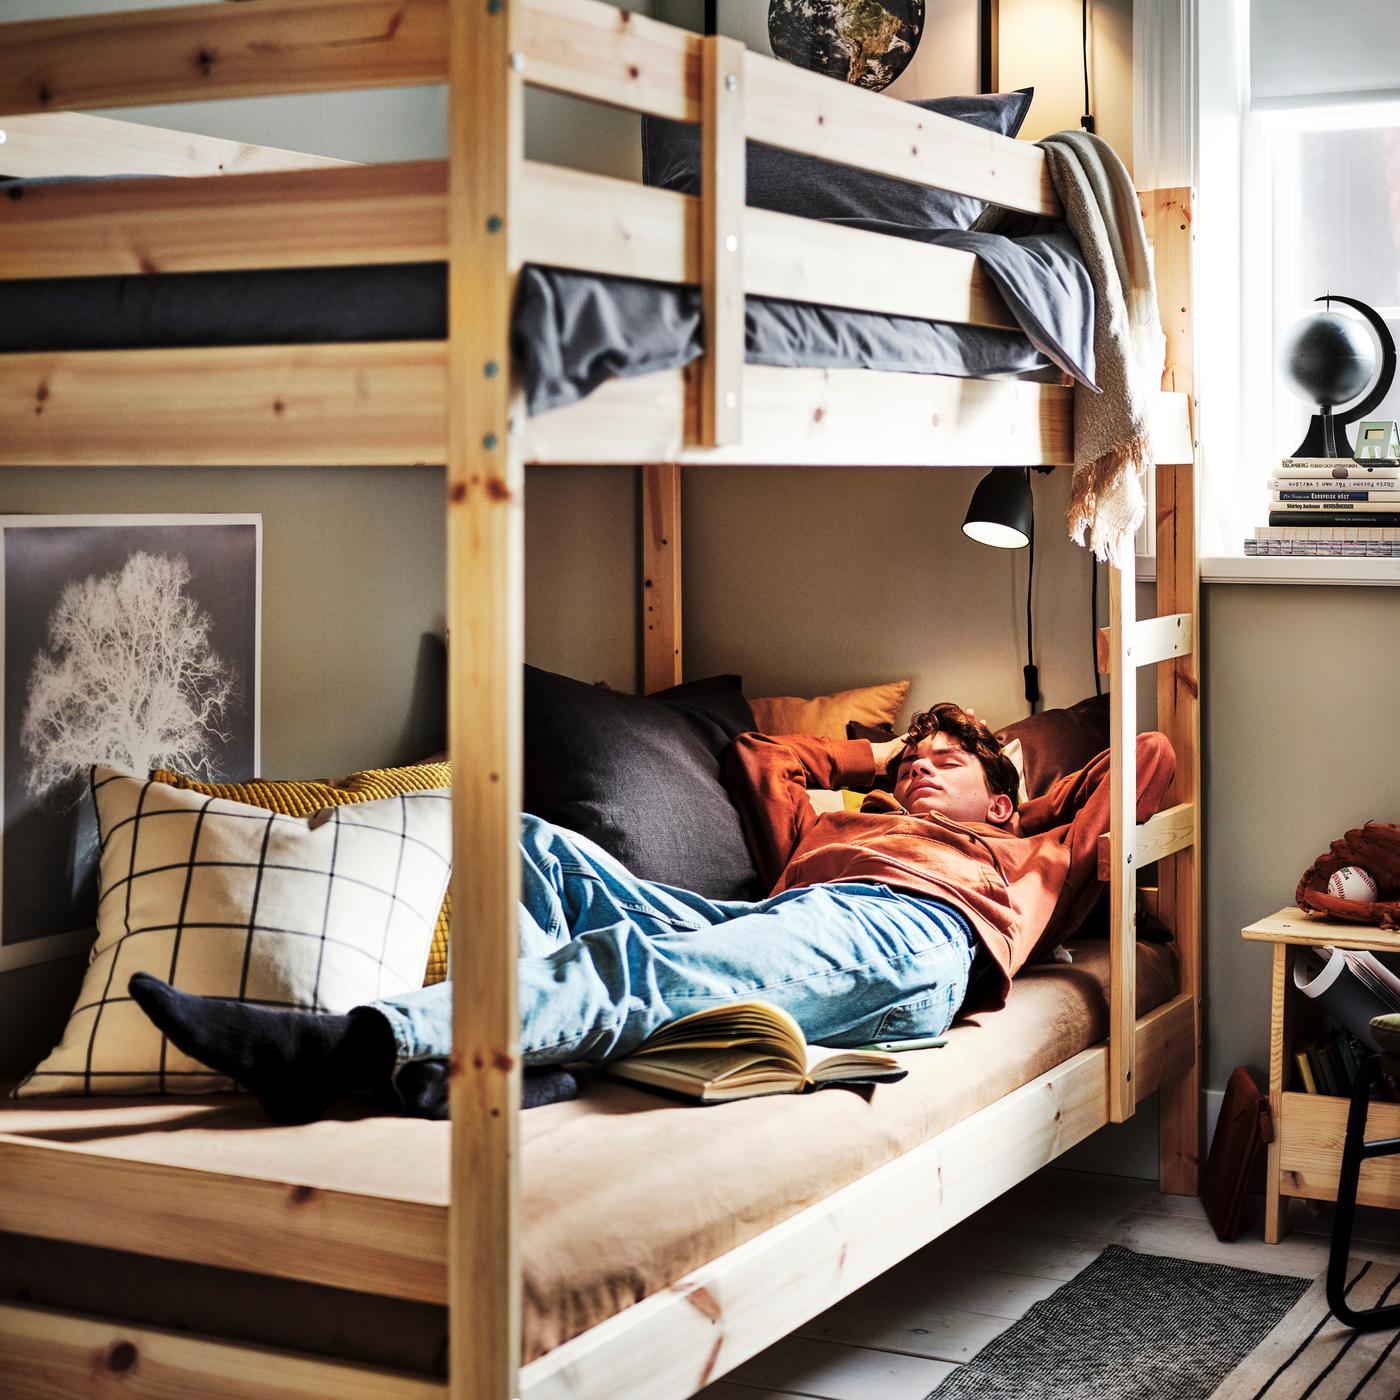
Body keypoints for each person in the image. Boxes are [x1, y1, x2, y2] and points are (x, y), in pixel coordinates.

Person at [129, 703, 1174, 1123]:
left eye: (941, 768)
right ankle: (532, 1060)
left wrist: (1011, 790)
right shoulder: (833, 818)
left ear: (998, 795)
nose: (918, 775)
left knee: (630, 965)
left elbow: (1147, 758)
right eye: (914, 764)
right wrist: (878, 753)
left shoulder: (1023, 849)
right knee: (535, 845)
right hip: (784, 917)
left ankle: (360, 1041)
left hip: (905, 934)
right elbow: (764, 755)